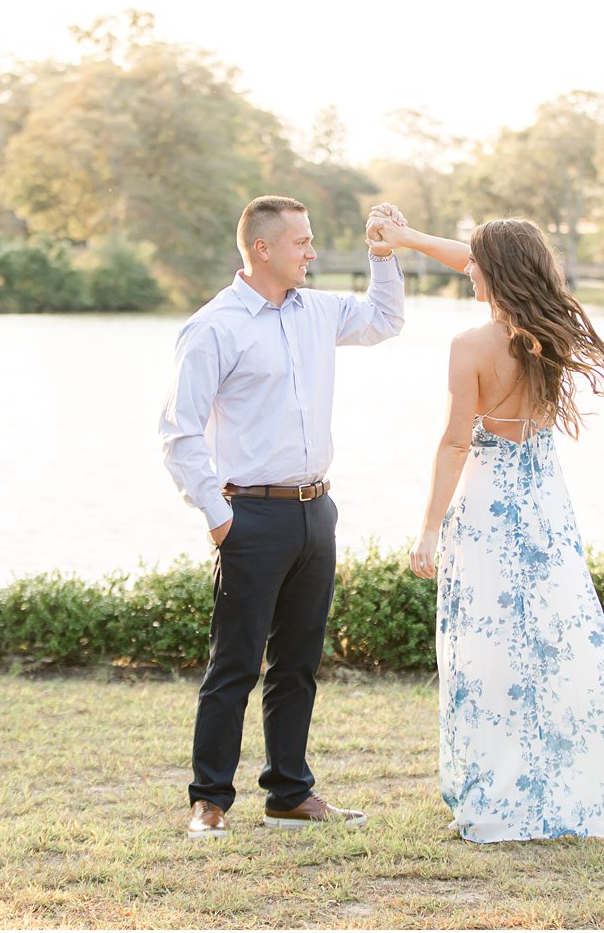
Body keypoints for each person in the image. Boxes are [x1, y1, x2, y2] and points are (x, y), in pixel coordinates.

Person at [366, 208, 604, 844]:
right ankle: (562, 782)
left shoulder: (470, 347)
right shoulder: (551, 331)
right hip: (544, 507)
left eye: (476, 267)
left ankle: (500, 790)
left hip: (488, 509)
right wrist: (405, 240)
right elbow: (475, 258)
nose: (468, 272)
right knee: (558, 642)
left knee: (487, 650)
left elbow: (454, 444)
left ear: (497, 273)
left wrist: (429, 529)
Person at [159, 195, 411, 839]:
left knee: (298, 663)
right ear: (263, 249)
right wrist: (219, 517)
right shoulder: (213, 327)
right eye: (301, 241)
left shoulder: (318, 310)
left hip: (314, 511)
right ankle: (209, 801)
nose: (313, 251)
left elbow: (385, 319)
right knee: (234, 665)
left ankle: (290, 793)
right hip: (249, 516)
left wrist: (382, 254)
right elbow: (179, 433)